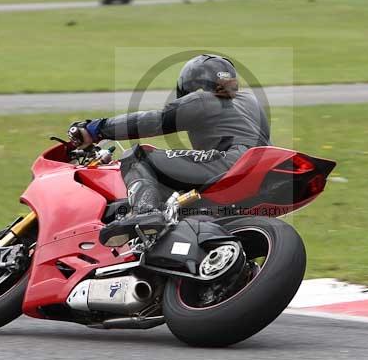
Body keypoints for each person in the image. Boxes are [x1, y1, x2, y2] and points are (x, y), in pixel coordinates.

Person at [68, 54, 270, 243]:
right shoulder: (251, 102)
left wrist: (97, 129)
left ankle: (145, 213)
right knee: (180, 199)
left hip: (229, 162)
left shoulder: (202, 99)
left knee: (139, 156)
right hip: (259, 171)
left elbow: (154, 121)